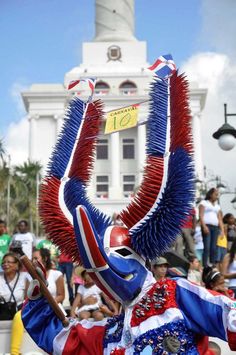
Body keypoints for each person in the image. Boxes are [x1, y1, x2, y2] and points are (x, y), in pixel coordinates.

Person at [0, 252, 28, 355]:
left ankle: (14, 352)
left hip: (20, 309)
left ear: (17, 265)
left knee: (18, 316)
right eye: (3, 262)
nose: (5, 264)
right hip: (3, 310)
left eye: (9, 262)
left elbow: (28, 298)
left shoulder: (24, 277)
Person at [199, 188, 224, 267]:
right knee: (207, 247)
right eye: (215, 194)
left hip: (215, 228)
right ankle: (205, 265)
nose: (217, 196)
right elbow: (201, 215)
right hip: (207, 226)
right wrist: (204, 226)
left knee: (213, 248)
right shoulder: (204, 203)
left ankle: (213, 265)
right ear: (210, 194)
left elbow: (220, 219)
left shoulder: (217, 206)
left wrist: (222, 230)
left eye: (217, 195)